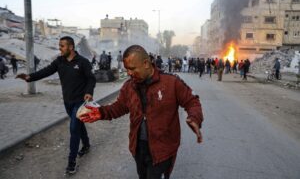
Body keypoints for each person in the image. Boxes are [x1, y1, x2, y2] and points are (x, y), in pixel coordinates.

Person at [79, 45, 203, 179]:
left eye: (132, 69)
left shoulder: (171, 82)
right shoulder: (129, 86)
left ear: (145, 64)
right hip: (138, 147)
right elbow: (119, 107)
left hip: (163, 149)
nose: (129, 73)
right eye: (127, 69)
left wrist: (194, 118)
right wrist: (101, 112)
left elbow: (192, 101)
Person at [16, 36, 96, 175]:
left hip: (80, 101)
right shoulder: (59, 61)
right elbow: (46, 71)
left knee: (74, 128)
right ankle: (87, 145)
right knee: (78, 124)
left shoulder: (83, 62)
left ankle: (71, 163)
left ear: (71, 47)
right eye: (59, 46)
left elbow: (91, 78)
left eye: (62, 46)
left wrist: (89, 92)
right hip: (67, 101)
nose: (59, 48)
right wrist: (30, 77)